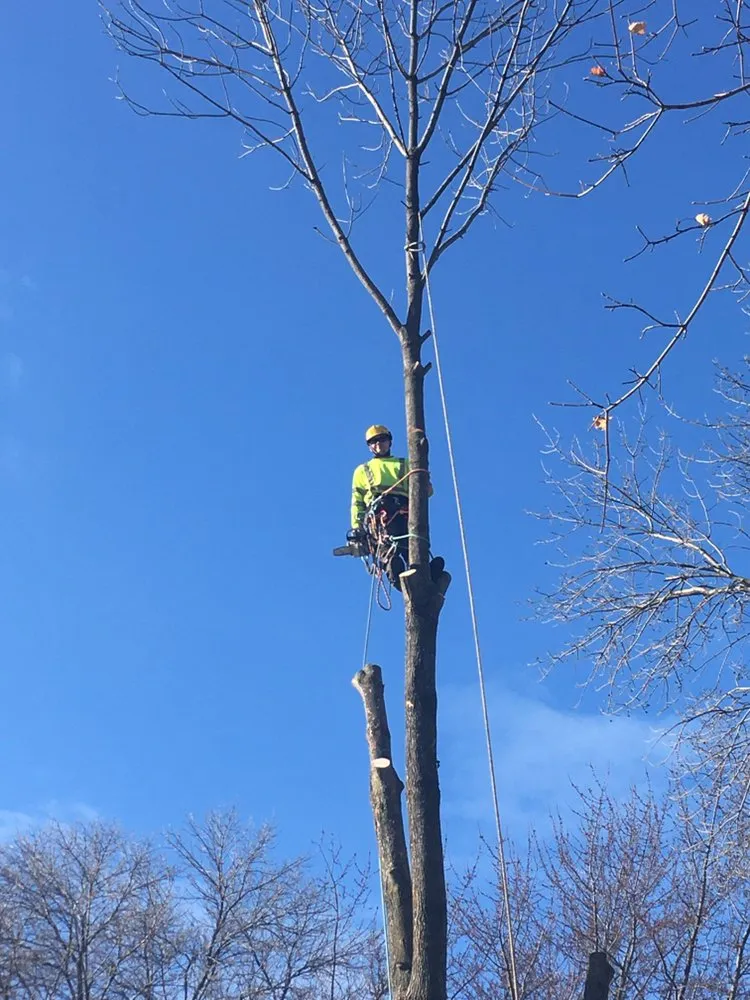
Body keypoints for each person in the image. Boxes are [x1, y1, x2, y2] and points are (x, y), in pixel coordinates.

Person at [348, 425, 443, 590]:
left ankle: (425, 571)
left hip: (406, 512)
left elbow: (427, 491)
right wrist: (357, 527)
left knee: (412, 542)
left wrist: (424, 478)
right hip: (380, 515)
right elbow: (357, 501)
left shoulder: (407, 463)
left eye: (382, 439)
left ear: (389, 441)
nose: (378, 444)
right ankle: (393, 570)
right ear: (369, 446)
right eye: (373, 442)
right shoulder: (362, 470)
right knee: (387, 543)